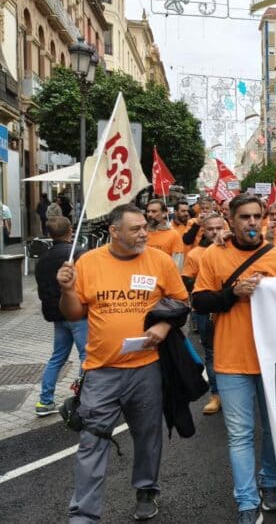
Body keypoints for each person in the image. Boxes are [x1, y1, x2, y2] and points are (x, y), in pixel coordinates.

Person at [58, 203, 189, 522]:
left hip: (147, 368)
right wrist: (67, 290)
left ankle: (146, 490)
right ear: (114, 232)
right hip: (101, 370)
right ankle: (83, 513)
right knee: (92, 439)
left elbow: (181, 302)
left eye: (145, 226)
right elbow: (73, 313)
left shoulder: (159, 261)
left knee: (147, 436)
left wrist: (163, 326)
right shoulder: (88, 262)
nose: (144, 233)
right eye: (136, 229)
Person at [192, 195, 276, 524]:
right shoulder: (214, 255)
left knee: (273, 430)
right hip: (232, 360)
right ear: (231, 219)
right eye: (244, 217)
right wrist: (233, 293)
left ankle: (270, 483)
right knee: (240, 435)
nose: (252, 222)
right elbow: (200, 302)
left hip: (274, 361)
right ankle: (246, 502)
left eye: (256, 216)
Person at [34, 216, 88, 416]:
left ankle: (45, 401)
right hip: (78, 314)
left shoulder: (43, 259)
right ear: (70, 231)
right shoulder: (79, 254)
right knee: (87, 357)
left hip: (57, 315)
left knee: (57, 357)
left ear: (49, 234)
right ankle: (83, 398)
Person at [181, 212, 226, 415]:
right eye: (210, 229)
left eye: (219, 228)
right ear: (204, 231)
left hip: (233, 309)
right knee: (212, 352)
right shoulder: (195, 254)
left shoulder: (235, 250)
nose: (215, 232)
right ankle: (216, 395)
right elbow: (187, 280)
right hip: (206, 311)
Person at [145, 200, 184, 269]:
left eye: (154, 211)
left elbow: (177, 263)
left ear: (164, 213)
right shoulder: (142, 233)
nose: (149, 214)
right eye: (148, 211)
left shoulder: (173, 234)